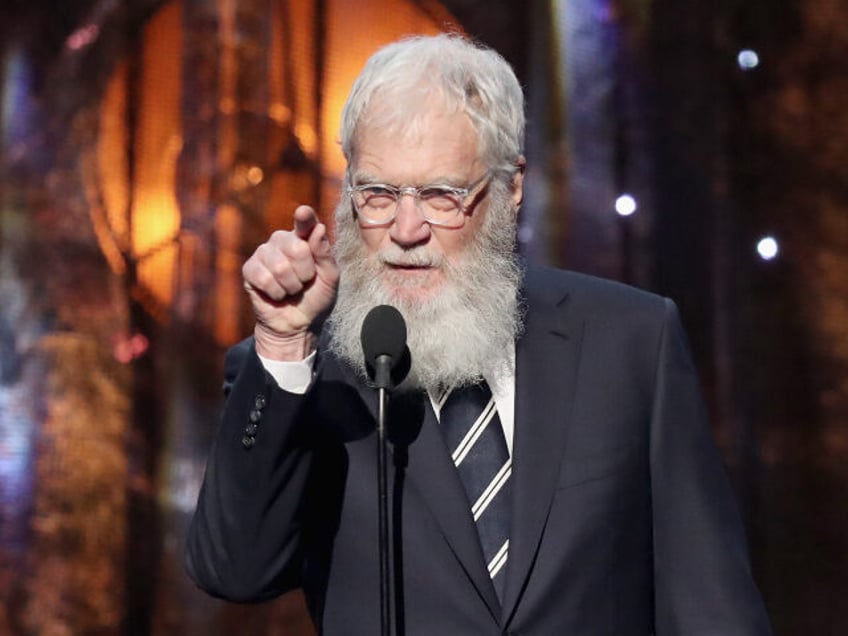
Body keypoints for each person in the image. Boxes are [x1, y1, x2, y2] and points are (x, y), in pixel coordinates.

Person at [185, 33, 773, 635]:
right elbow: (235, 572)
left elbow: (712, 605)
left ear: (511, 188)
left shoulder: (632, 340)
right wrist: (283, 346)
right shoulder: (307, 370)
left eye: (442, 195)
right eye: (380, 194)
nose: (405, 229)